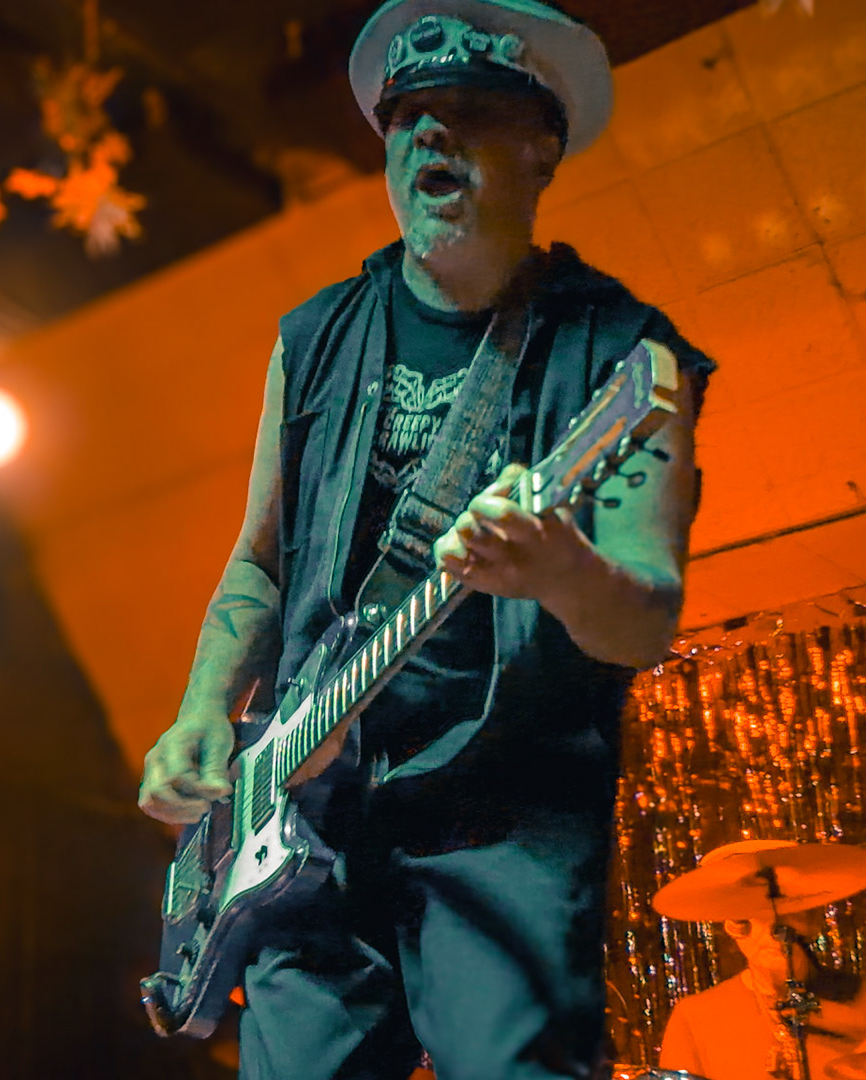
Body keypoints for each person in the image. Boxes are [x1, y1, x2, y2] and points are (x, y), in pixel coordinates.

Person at [137, 1, 714, 1077]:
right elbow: (261, 562)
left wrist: (562, 570)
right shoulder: (313, 336)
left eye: (471, 109)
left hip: (504, 821)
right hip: (307, 817)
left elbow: (645, 616)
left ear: (542, 149)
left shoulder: (626, 354)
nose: (431, 134)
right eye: (407, 116)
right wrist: (204, 708)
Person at [660, 841, 866, 1080]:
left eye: (789, 912)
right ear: (732, 927)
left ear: (814, 920)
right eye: (749, 917)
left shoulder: (860, 998)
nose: (771, 932)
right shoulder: (695, 1018)